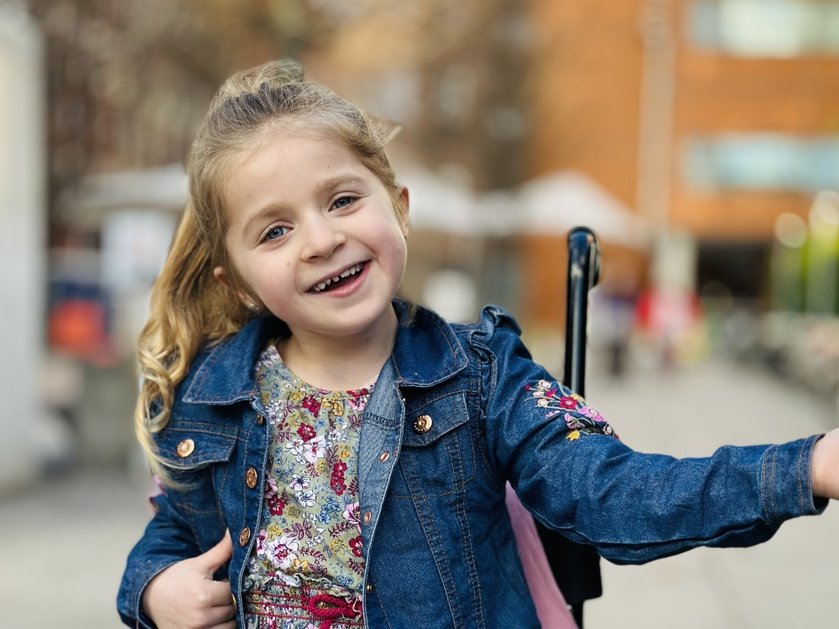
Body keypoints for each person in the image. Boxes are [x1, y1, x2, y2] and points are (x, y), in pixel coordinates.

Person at [117, 59, 839, 629]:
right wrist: (153, 590)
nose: (321, 238)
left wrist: (803, 467)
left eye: (342, 199)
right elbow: (173, 534)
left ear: (398, 208)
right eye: (275, 231)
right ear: (238, 282)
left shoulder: (482, 376)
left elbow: (611, 492)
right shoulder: (210, 398)